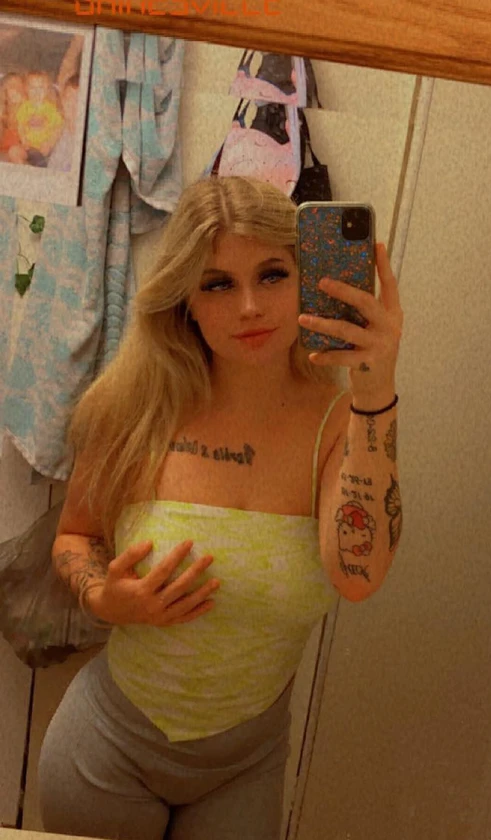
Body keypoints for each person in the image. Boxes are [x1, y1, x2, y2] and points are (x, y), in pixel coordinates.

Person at [38, 175, 404, 840]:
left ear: (306, 279)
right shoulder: (133, 408)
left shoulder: (341, 426)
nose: (249, 307)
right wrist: (102, 598)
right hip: (105, 752)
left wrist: (375, 392)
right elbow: (74, 537)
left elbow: (358, 575)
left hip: (246, 767)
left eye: (272, 275)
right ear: (186, 299)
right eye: (217, 284)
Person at [15, 70, 63, 167]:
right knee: (13, 151)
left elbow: (58, 129)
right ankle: (22, 168)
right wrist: (24, 140)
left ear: (46, 90)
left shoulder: (50, 109)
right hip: (29, 147)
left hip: (44, 148)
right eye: (33, 88)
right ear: (26, 90)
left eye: (40, 88)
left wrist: (49, 143)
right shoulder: (24, 107)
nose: (37, 92)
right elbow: (20, 126)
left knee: (43, 160)